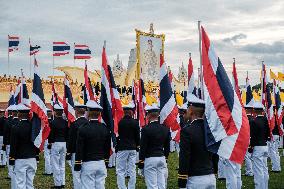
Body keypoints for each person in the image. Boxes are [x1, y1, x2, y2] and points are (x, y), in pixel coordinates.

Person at [178, 94, 216, 189]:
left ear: (191, 111)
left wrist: (182, 180)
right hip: (210, 176)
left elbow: (185, 157)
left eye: (187, 109)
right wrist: (214, 171)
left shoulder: (187, 131)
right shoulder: (211, 130)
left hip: (195, 179)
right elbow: (215, 153)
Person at [74, 100, 111, 189]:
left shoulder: (83, 128)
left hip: (88, 164)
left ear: (88, 113)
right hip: (101, 163)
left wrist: (77, 164)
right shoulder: (104, 128)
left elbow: (79, 149)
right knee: (100, 186)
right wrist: (106, 162)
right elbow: (107, 148)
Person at [138, 103, 171, 189]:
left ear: (148, 115)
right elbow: (167, 146)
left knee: (152, 186)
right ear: (158, 115)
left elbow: (143, 148)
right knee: (162, 185)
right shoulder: (165, 129)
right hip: (162, 157)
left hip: (150, 159)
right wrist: (165, 158)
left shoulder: (145, 129)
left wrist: (141, 164)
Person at [9, 104, 39, 189]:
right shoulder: (33, 127)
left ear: (19, 114)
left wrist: (12, 159)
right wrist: (36, 155)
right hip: (32, 158)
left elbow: (13, 145)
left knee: (20, 183)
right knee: (30, 183)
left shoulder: (15, 127)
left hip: (20, 159)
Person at [116, 102, 140, 189]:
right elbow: (137, 136)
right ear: (131, 112)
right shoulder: (135, 122)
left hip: (122, 147)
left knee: (120, 170)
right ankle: (131, 187)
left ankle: (122, 187)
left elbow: (118, 135)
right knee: (132, 169)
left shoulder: (120, 122)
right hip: (133, 147)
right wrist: (137, 146)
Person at [67, 103, 88, 189]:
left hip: (76, 152)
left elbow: (71, 140)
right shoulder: (88, 123)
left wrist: (68, 153)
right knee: (85, 174)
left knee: (76, 174)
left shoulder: (74, 124)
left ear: (76, 112)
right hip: (87, 152)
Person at [48, 104, 69, 189]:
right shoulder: (66, 122)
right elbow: (67, 134)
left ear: (55, 112)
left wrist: (50, 143)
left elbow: (51, 134)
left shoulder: (52, 122)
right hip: (64, 143)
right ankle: (63, 182)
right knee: (62, 164)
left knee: (55, 164)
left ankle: (57, 184)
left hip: (56, 143)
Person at [250, 102, 270, 189]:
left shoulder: (254, 121)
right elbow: (268, 134)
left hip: (258, 147)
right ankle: (265, 186)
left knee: (258, 171)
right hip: (265, 145)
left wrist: (251, 147)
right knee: (264, 169)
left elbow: (253, 136)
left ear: (254, 111)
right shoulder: (265, 120)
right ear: (262, 111)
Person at [3, 104, 18, 189]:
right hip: (18, 145)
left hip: (9, 143)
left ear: (12, 113)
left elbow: (5, 134)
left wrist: (4, 144)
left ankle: (10, 174)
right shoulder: (19, 122)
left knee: (10, 159)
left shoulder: (8, 122)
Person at [269, 107, 282, 172]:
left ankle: (276, 168)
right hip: (277, 135)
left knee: (273, 152)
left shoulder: (273, 117)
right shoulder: (277, 117)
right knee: (276, 152)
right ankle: (277, 167)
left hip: (273, 135)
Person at [243, 104, 254, 177]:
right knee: (251, 156)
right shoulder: (253, 118)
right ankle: (251, 170)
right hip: (253, 138)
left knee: (247, 156)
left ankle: (249, 171)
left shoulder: (245, 118)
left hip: (247, 138)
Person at [43, 108, 53, 176]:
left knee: (47, 155)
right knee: (52, 156)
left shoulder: (45, 122)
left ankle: (48, 171)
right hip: (53, 140)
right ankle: (52, 170)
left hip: (47, 140)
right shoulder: (53, 121)